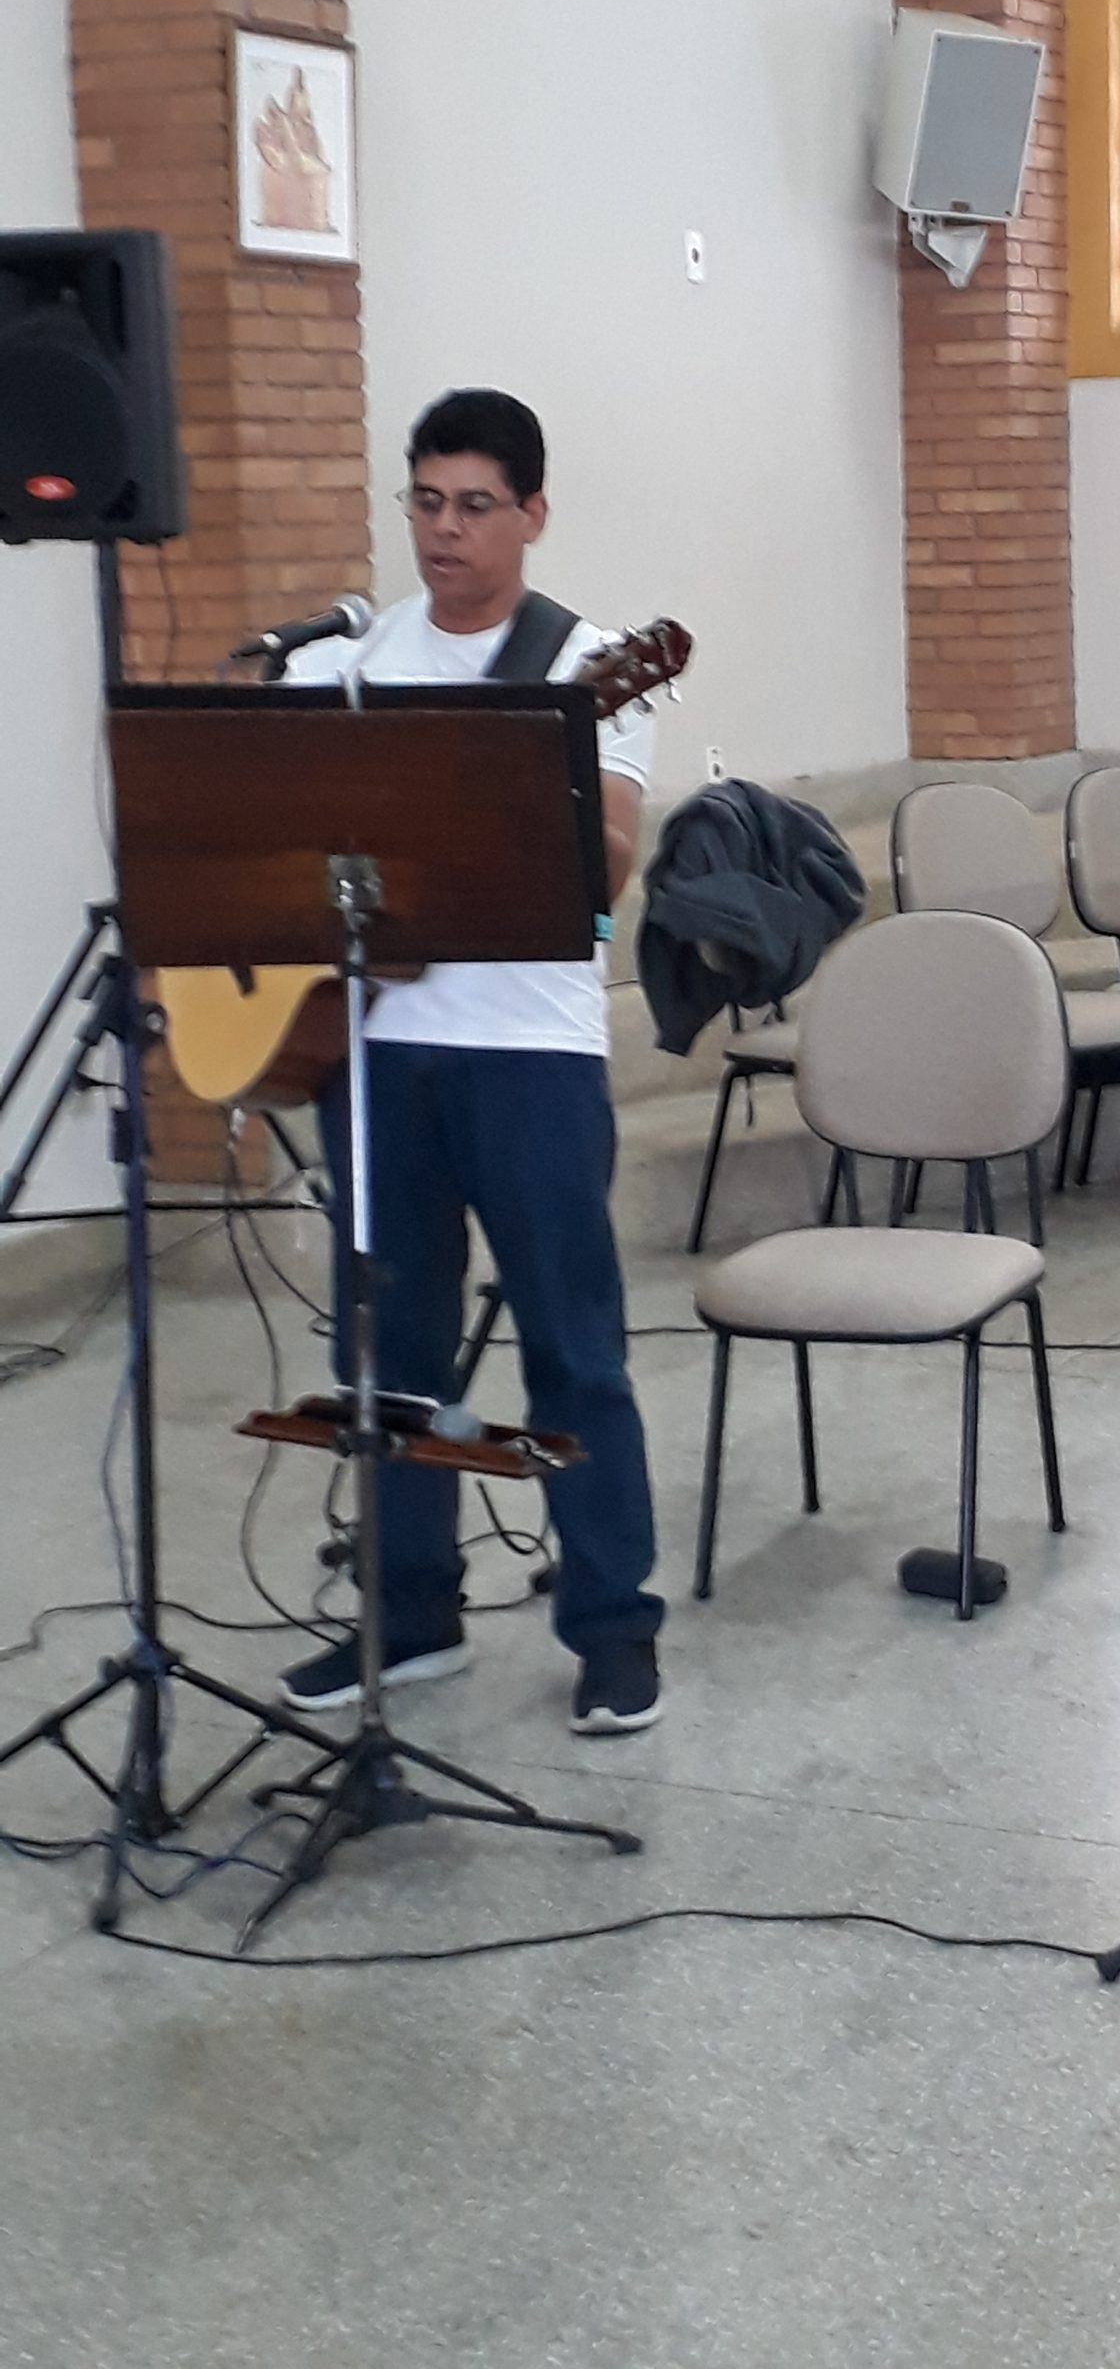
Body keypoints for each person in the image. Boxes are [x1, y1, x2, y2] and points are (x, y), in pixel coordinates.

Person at [278, 387, 665, 1736]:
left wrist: (535, 781)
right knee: (392, 1349)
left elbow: (608, 874)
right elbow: (277, 844)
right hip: (375, 1050)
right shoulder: (346, 663)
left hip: (527, 1052)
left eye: (476, 506)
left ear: (532, 515)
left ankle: (612, 1626)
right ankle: (411, 1613)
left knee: (573, 1345)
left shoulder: (591, 664)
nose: (446, 530)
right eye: (427, 502)